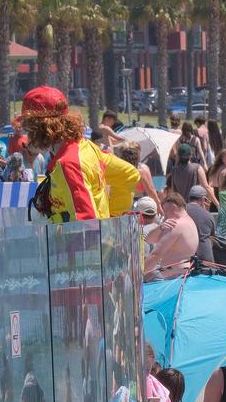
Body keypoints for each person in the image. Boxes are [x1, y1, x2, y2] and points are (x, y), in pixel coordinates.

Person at [19, 86, 139, 222]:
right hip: (99, 240)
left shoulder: (69, 164)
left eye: (28, 127)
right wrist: (111, 219)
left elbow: (86, 224)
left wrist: (110, 221)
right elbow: (129, 175)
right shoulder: (87, 147)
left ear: (42, 126)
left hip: (79, 242)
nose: (26, 134)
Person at [144, 194, 199, 280]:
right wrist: (160, 227)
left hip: (176, 277)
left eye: (166, 212)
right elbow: (149, 239)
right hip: (182, 274)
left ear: (173, 207)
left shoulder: (176, 225)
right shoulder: (190, 221)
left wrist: (139, 274)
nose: (165, 216)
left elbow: (156, 255)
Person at [184, 185, 216, 262]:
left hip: (184, 259)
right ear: (203, 199)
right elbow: (212, 239)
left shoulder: (181, 211)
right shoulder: (208, 215)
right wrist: (206, 210)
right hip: (205, 260)